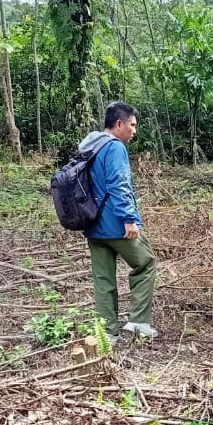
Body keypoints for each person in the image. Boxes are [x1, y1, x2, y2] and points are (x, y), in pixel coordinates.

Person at [79, 101, 158, 340]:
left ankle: (107, 333)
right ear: (119, 123)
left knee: (103, 279)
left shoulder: (90, 145)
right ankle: (138, 321)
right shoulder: (114, 147)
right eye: (132, 125)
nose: (134, 131)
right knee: (145, 263)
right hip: (116, 224)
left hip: (92, 223)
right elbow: (118, 184)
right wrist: (129, 219)